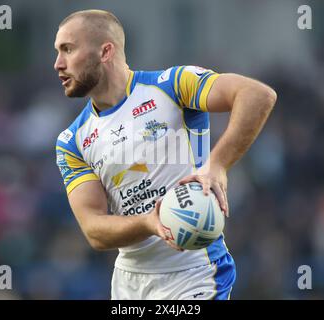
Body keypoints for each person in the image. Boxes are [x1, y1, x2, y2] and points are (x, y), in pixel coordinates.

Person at [54, 9, 276, 300]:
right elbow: (93, 229)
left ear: (105, 51)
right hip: (129, 286)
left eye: (68, 50)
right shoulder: (72, 141)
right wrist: (150, 223)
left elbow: (257, 95)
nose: (58, 64)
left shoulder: (171, 85)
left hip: (195, 272)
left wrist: (218, 165)